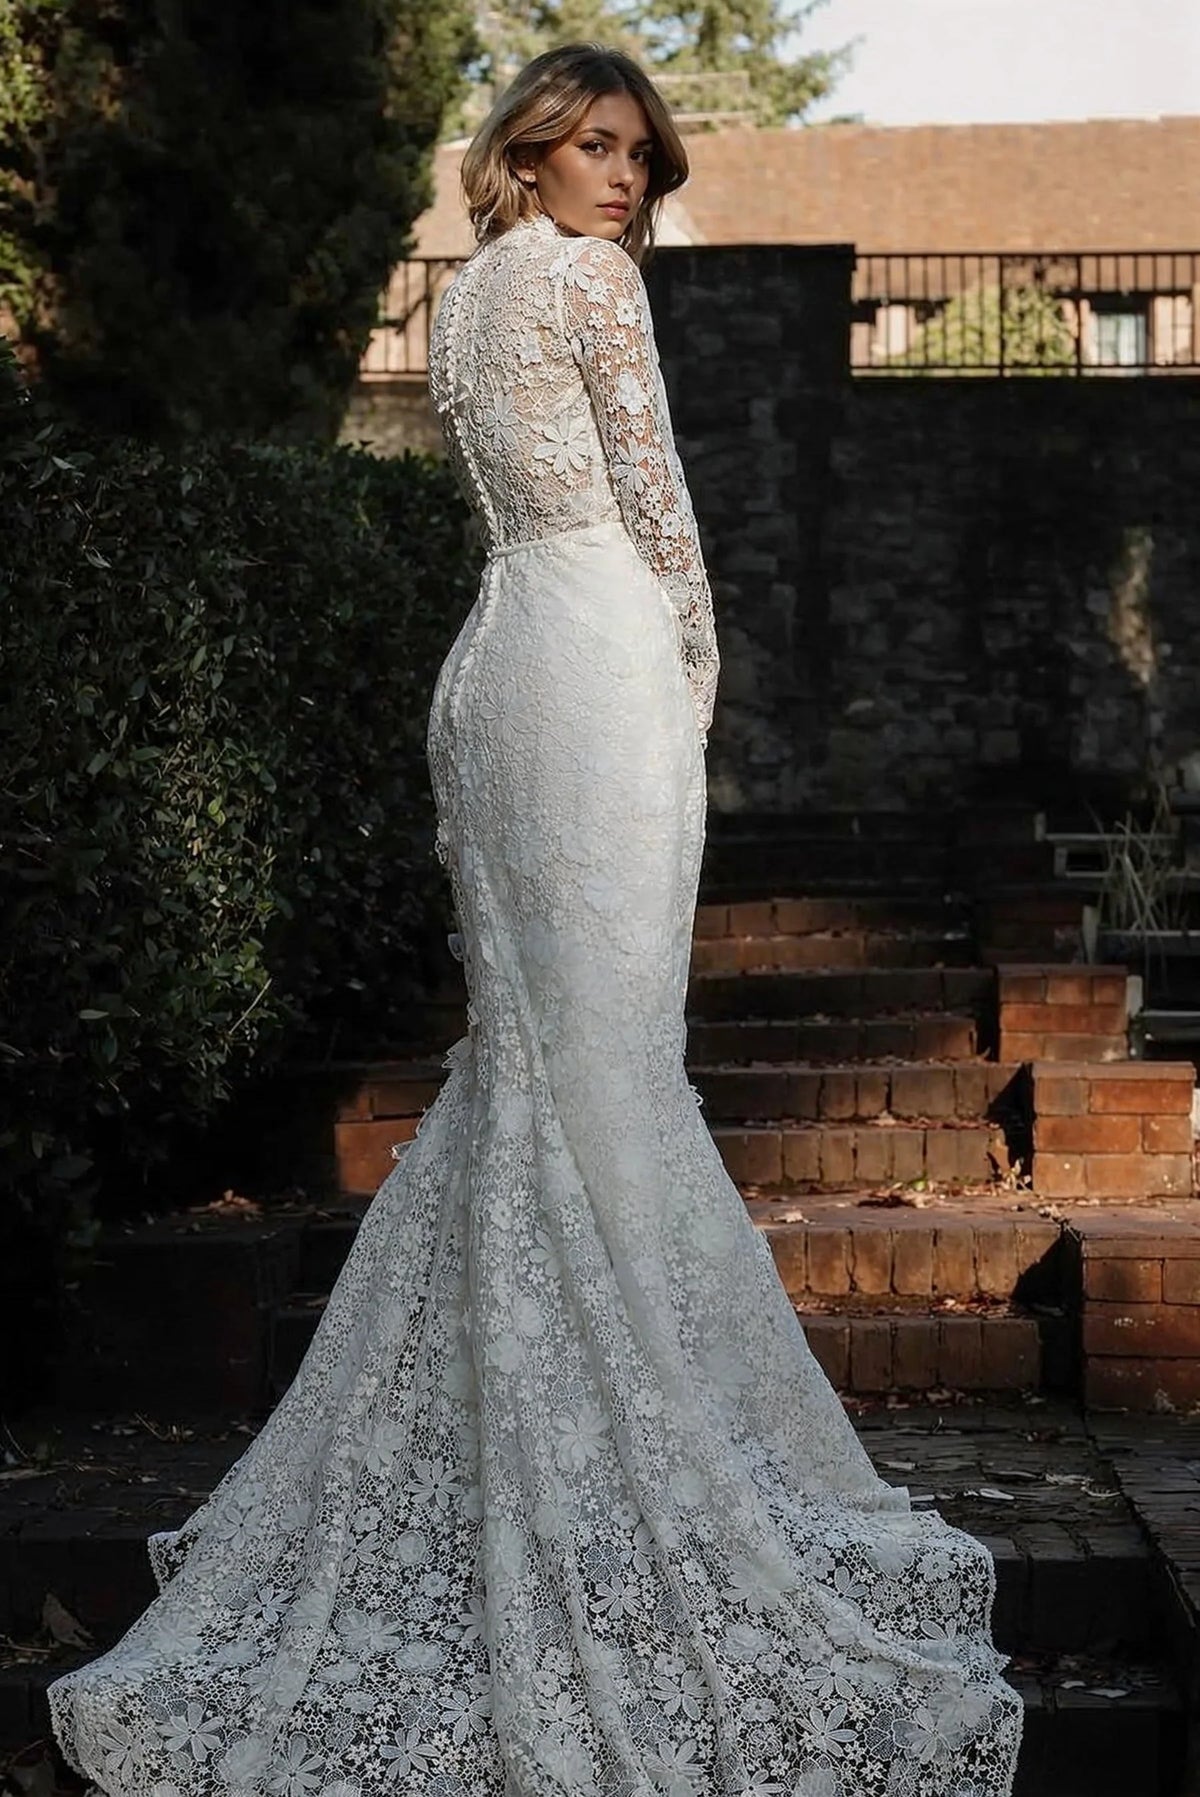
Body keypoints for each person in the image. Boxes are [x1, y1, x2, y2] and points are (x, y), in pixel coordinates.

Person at [49, 42, 1023, 1797]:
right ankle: (617, 1447)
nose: (623, 177)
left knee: (534, 1067)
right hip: (592, 663)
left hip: (494, 667)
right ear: (532, 151)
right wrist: (697, 675)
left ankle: (536, 1423)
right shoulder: (586, 284)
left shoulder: (465, 298)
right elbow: (661, 510)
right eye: (595, 144)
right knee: (604, 1063)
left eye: (640, 153)